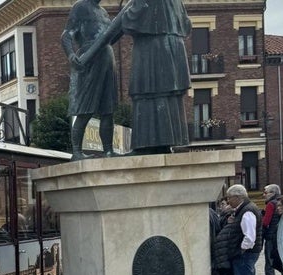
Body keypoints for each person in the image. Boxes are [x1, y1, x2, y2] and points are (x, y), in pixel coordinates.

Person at [113, 0, 191, 154]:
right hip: (173, 48)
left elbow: (130, 21)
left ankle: (145, 146)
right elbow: (186, 24)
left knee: (146, 93)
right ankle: (164, 143)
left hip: (153, 49)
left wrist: (127, 13)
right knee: (165, 96)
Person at [61, 0, 119, 160]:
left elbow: (110, 38)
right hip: (89, 58)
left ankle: (108, 150)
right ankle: (77, 152)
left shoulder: (104, 12)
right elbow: (66, 35)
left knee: (108, 111)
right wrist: (71, 55)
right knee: (84, 109)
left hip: (108, 58)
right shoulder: (80, 7)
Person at [224, 184, 264, 275]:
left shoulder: (247, 211)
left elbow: (249, 237)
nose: (228, 201)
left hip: (245, 255)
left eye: (230, 198)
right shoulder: (246, 209)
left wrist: (241, 250)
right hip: (247, 254)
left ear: (237, 197)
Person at [261, 184, 283, 275]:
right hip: (281, 237)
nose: (263, 195)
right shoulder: (281, 202)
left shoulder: (271, 204)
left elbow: (265, 222)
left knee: (269, 266)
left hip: (271, 238)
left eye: (266, 192)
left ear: (272, 193)